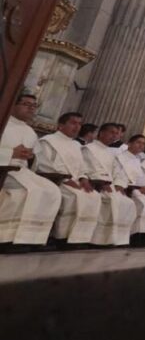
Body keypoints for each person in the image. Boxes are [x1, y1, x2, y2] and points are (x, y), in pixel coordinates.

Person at [0, 93, 61, 249]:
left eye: (34, 106)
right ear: (14, 105)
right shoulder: (3, 123)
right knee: (27, 192)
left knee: (52, 190)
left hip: (23, 171)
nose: (31, 108)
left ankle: (31, 238)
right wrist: (10, 153)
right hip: (5, 169)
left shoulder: (30, 131)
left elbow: (37, 160)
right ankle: (6, 238)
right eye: (26, 104)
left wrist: (32, 156)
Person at [34, 112, 102, 245]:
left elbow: (82, 167)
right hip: (55, 180)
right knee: (74, 197)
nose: (77, 127)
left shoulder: (76, 145)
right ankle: (60, 237)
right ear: (60, 125)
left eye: (79, 124)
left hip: (76, 182)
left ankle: (79, 238)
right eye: (73, 123)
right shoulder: (48, 141)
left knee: (94, 196)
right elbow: (43, 164)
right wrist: (65, 180)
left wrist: (83, 179)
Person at [81, 123, 136, 246]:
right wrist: (101, 182)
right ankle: (97, 239)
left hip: (110, 186)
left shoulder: (112, 153)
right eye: (111, 132)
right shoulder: (89, 149)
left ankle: (115, 239)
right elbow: (87, 168)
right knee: (112, 200)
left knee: (128, 202)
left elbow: (117, 171)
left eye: (116, 133)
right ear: (101, 133)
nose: (114, 136)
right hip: (96, 185)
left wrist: (119, 184)